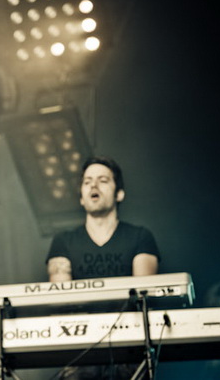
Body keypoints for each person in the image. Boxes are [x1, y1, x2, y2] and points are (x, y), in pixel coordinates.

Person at [46, 155, 160, 379]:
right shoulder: (64, 241)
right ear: (81, 197)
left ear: (119, 194)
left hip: (129, 349)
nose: (93, 186)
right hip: (81, 349)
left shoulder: (139, 236)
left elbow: (142, 296)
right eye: (87, 182)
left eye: (103, 180)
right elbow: (62, 300)